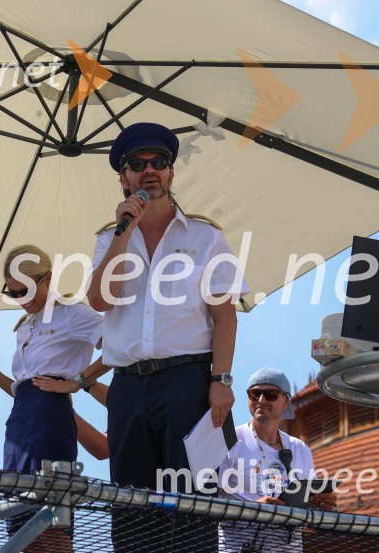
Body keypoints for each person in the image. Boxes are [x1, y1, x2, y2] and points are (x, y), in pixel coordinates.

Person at [86, 122, 247, 552]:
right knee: (132, 506)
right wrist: (124, 232)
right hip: (128, 387)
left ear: (172, 173)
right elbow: (101, 300)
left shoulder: (205, 237)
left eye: (159, 162)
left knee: (194, 502)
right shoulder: (109, 238)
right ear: (123, 179)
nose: (149, 171)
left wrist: (222, 380)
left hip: (188, 383)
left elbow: (225, 317)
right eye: (137, 165)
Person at [0, 245, 107, 552]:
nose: (23, 299)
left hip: (49, 416)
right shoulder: (26, 326)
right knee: (18, 518)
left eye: (27, 290)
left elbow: (119, 346)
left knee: (49, 519)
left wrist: (80, 381)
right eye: (14, 293)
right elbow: (26, 387)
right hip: (19, 420)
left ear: (47, 278)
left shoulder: (73, 313)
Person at [218, 367, 337, 552]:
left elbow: (310, 518)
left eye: (271, 394)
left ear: (285, 402)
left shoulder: (300, 449)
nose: (261, 400)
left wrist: (324, 505)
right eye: (254, 393)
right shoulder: (228, 439)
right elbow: (205, 504)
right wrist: (253, 509)